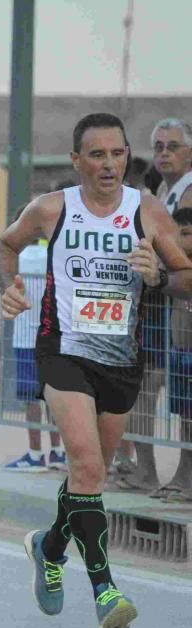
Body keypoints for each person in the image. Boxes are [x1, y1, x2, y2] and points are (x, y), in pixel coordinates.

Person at [0, 112, 192, 628]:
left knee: (89, 478)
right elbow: (5, 245)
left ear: (128, 157)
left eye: (118, 154)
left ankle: (48, 546)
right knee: (84, 464)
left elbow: (186, 276)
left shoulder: (146, 211)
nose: (109, 165)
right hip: (63, 350)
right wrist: (7, 286)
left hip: (122, 360)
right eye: (98, 155)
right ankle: (106, 589)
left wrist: (158, 277)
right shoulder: (51, 209)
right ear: (77, 160)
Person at [115, 118, 192, 495]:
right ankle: (145, 470)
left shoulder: (189, 192)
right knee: (144, 388)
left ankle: (184, 476)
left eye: (172, 146)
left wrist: (157, 263)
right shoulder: (160, 191)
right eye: (159, 146)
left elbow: (182, 248)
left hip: (180, 303)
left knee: (184, 393)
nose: (164, 153)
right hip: (155, 303)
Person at [4, 234, 66, 472]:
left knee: (31, 399)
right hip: (53, 336)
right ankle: (58, 452)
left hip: (26, 337)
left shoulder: (18, 256)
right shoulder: (55, 253)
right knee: (53, 398)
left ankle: (35, 454)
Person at [163, 207, 192, 503]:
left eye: (185, 234)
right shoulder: (177, 270)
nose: (177, 240)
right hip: (180, 350)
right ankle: (183, 476)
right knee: (185, 420)